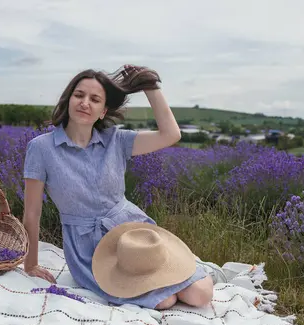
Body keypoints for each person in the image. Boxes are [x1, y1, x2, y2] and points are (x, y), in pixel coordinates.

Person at [22, 65, 220, 310]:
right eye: (79, 95)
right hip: (87, 248)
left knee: (201, 294)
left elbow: (171, 134)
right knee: (164, 300)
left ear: (103, 111)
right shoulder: (41, 148)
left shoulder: (116, 140)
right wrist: (30, 264)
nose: (85, 103)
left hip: (132, 233)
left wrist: (150, 87)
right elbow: (32, 212)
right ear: (68, 99)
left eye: (94, 99)